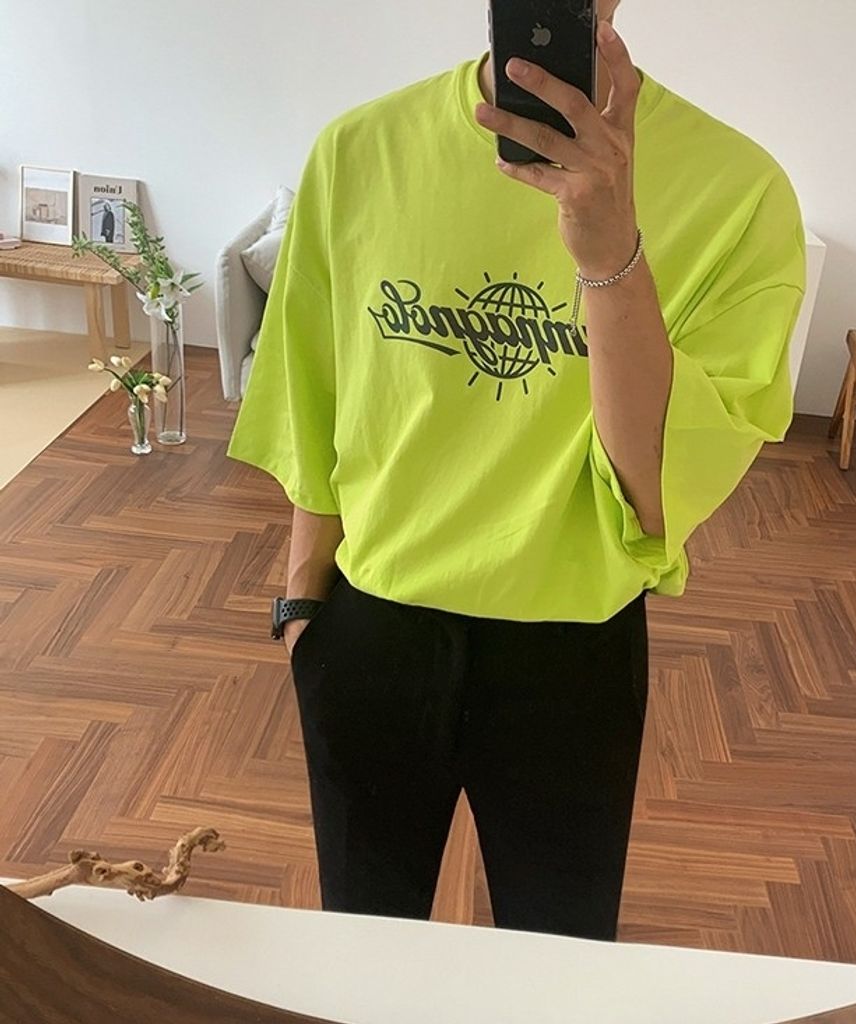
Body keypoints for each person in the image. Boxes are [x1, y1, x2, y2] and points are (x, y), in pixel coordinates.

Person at [226, 0, 806, 942]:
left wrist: (611, 252)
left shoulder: (740, 193)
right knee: (360, 946)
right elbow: (314, 400)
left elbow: (654, 494)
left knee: (561, 956)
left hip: (569, 654)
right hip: (373, 630)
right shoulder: (359, 151)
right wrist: (302, 606)